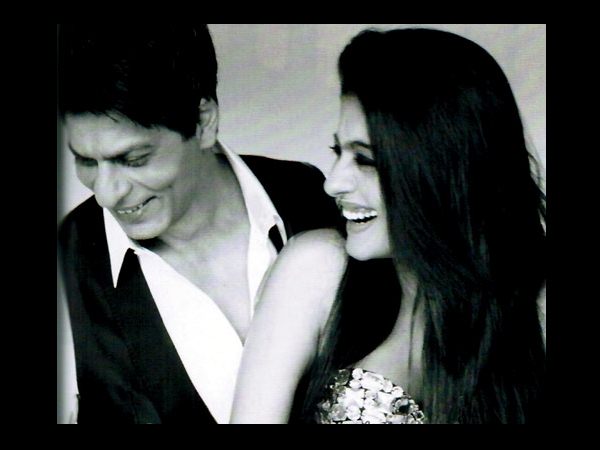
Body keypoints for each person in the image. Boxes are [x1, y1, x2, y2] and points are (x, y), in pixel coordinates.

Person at [230, 27, 546, 424]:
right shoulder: (318, 267)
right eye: (338, 152)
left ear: (440, 167)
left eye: (365, 160)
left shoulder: (532, 306)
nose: (333, 183)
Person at [57, 24, 340, 424]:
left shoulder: (315, 195)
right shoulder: (72, 250)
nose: (106, 194)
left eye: (134, 160)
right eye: (86, 161)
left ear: (203, 121)